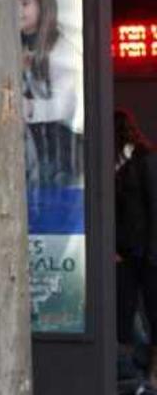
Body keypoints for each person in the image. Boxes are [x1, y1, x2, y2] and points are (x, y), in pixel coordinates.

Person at [18, 0, 83, 186]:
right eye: (13, 3)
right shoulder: (16, 44)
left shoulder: (60, 49)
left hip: (59, 148)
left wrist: (28, 107)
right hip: (31, 146)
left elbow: (66, 106)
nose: (17, 9)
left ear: (43, 6)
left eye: (25, 3)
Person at [115, 108, 157, 387]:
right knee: (132, 312)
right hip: (134, 251)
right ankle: (141, 373)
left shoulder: (140, 161)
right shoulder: (138, 160)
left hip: (140, 251)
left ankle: (145, 374)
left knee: (144, 312)